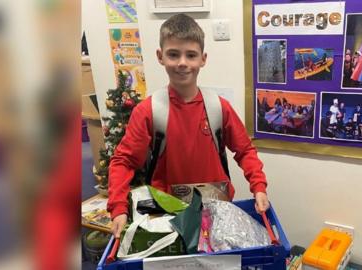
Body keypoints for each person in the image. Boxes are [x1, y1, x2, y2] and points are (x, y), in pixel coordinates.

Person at [108, 14, 270, 238]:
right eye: (173, 54)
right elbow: (123, 161)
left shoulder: (218, 107)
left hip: (216, 210)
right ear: (160, 56)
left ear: (202, 59)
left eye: (190, 55)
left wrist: (258, 186)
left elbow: (245, 150)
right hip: (165, 213)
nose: (182, 62)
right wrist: (118, 208)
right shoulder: (148, 111)